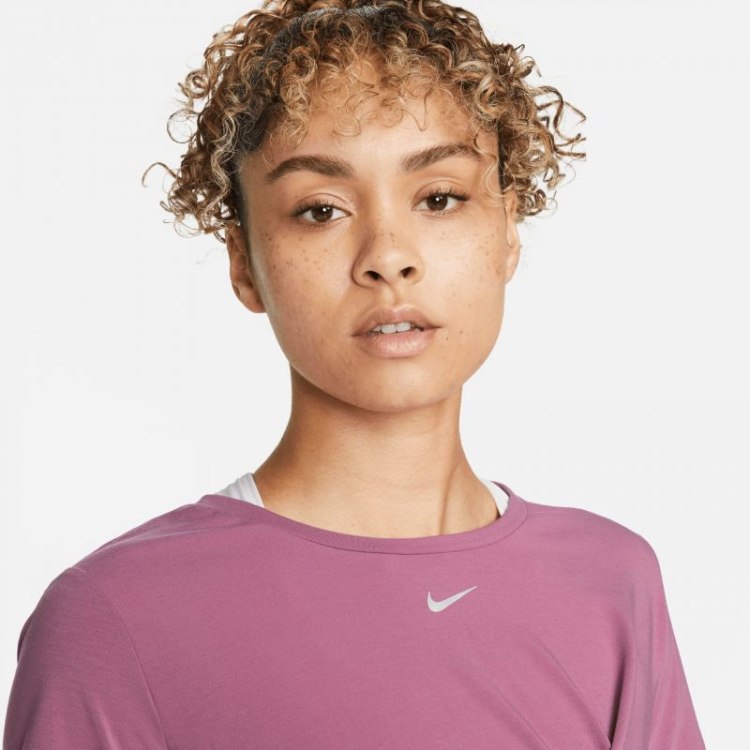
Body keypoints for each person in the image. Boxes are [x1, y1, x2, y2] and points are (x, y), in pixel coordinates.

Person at [3, 1, 706, 747]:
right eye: (320, 210)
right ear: (244, 262)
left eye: (439, 198)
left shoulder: (609, 582)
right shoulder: (116, 619)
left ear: (507, 230)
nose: (387, 255)